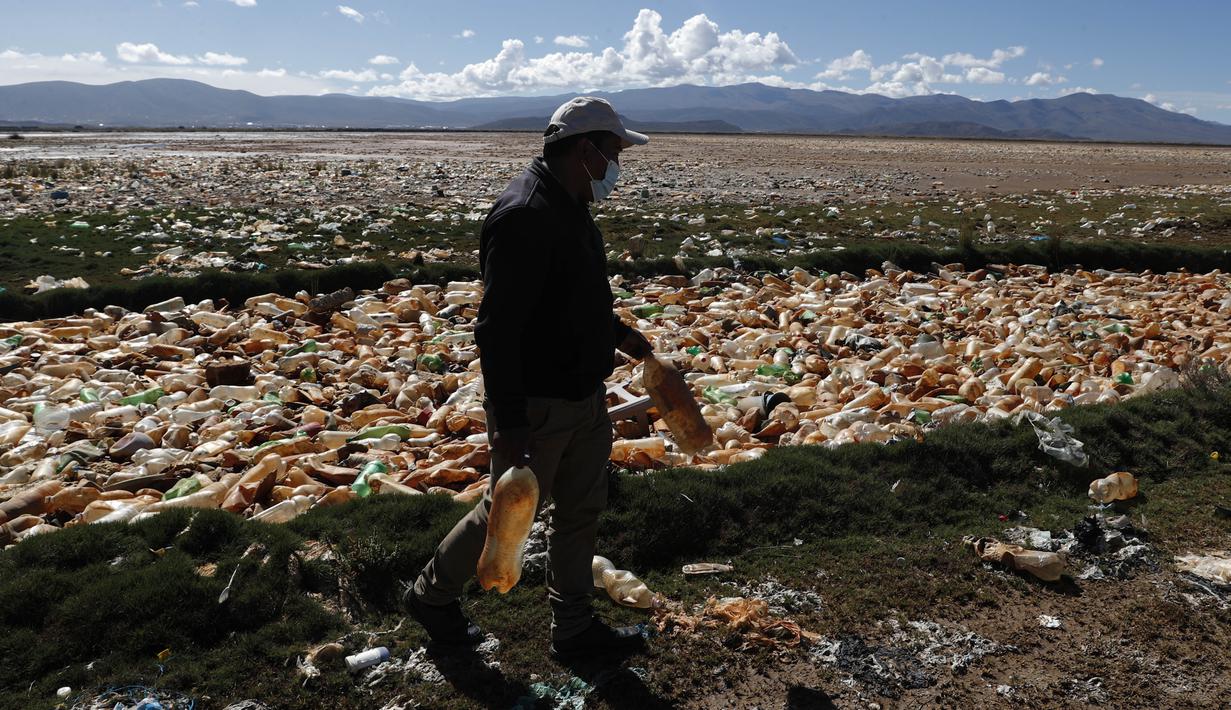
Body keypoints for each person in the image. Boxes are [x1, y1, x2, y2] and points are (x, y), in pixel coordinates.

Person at [404, 96, 655, 659]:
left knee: (580, 511)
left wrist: (620, 335)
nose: (618, 165)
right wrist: (511, 422)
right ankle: (430, 595)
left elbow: (573, 298)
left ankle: (572, 627)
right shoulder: (524, 215)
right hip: (540, 402)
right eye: (613, 152)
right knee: (508, 511)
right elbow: (497, 329)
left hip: (583, 392)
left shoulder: (571, 204)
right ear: (584, 150)